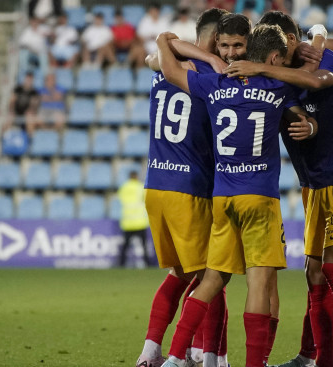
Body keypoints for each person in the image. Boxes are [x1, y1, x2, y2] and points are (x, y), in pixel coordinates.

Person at [226, 14, 333, 367]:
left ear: (288, 40)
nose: (275, 59)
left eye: (278, 53)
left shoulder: (323, 59)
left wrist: (312, 40)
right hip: (312, 183)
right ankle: (321, 358)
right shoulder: (285, 75)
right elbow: (296, 111)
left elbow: (318, 80)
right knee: (315, 273)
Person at [157, 23, 317, 367]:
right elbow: (311, 75)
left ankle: (174, 357)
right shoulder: (279, 85)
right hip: (260, 199)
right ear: (274, 57)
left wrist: (161, 40)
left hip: (222, 198)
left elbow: (169, 69)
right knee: (259, 284)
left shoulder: (214, 83)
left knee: (213, 278)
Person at [135, 8, 229, 367]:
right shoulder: (209, 75)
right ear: (216, 40)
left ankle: (151, 351)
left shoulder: (163, 67)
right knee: (213, 274)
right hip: (188, 187)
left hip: (156, 182)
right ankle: (208, 357)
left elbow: (160, 48)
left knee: (179, 273)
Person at [118, 170, 150, 268]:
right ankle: (147, 264)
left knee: (125, 246)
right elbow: (146, 199)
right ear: (136, 176)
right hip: (140, 222)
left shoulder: (124, 187)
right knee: (144, 246)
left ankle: (121, 264)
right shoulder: (140, 187)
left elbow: (121, 199)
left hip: (127, 222)